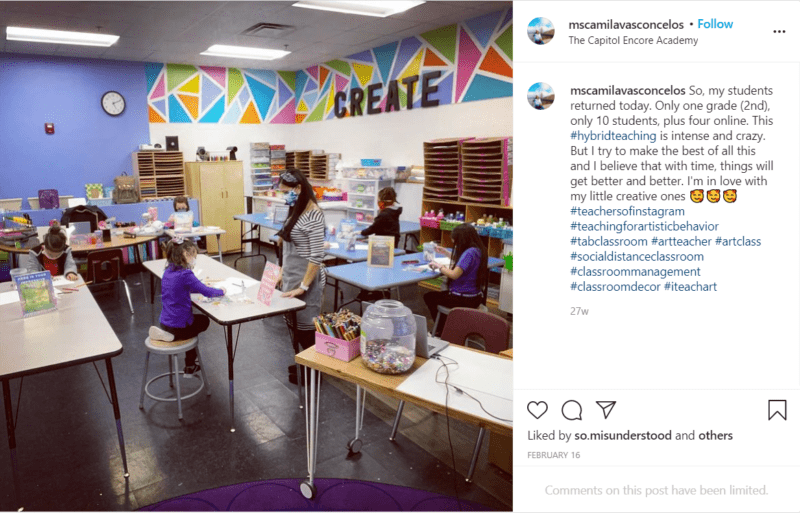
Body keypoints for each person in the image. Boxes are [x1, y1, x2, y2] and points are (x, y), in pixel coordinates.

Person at [275, 168, 326, 385]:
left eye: (286, 191)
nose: (284, 196)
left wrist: (303, 287)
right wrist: (280, 271)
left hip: (307, 281)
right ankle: (305, 363)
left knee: (306, 328)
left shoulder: (314, 214)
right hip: (291, 276)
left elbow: (316, 256)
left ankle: (316, 370)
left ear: (298, 188)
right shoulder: (295, 207)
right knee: (293, 324)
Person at [148, 237, 225, 376]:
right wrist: (221, 291)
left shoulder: (168, 272)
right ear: (185, 255)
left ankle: (169, 336)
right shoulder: (186, 274)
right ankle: (189, 363)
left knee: (193, 323)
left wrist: (198, 287)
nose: (194, 259)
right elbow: (207, 292)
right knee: (203, 321)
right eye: (193, 255)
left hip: (165, 322)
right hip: (180, 326)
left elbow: (184, 287)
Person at [423, 223, 488, 336]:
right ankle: (447, 326)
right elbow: (463, 261)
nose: (455, 244)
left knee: (430, 297)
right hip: (476, 297)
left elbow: (454, 275)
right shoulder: (478, 250)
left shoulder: (469, 253)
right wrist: (446, 252)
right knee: (441, 296)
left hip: (463, 299)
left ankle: (440, 331)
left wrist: (439, 266)